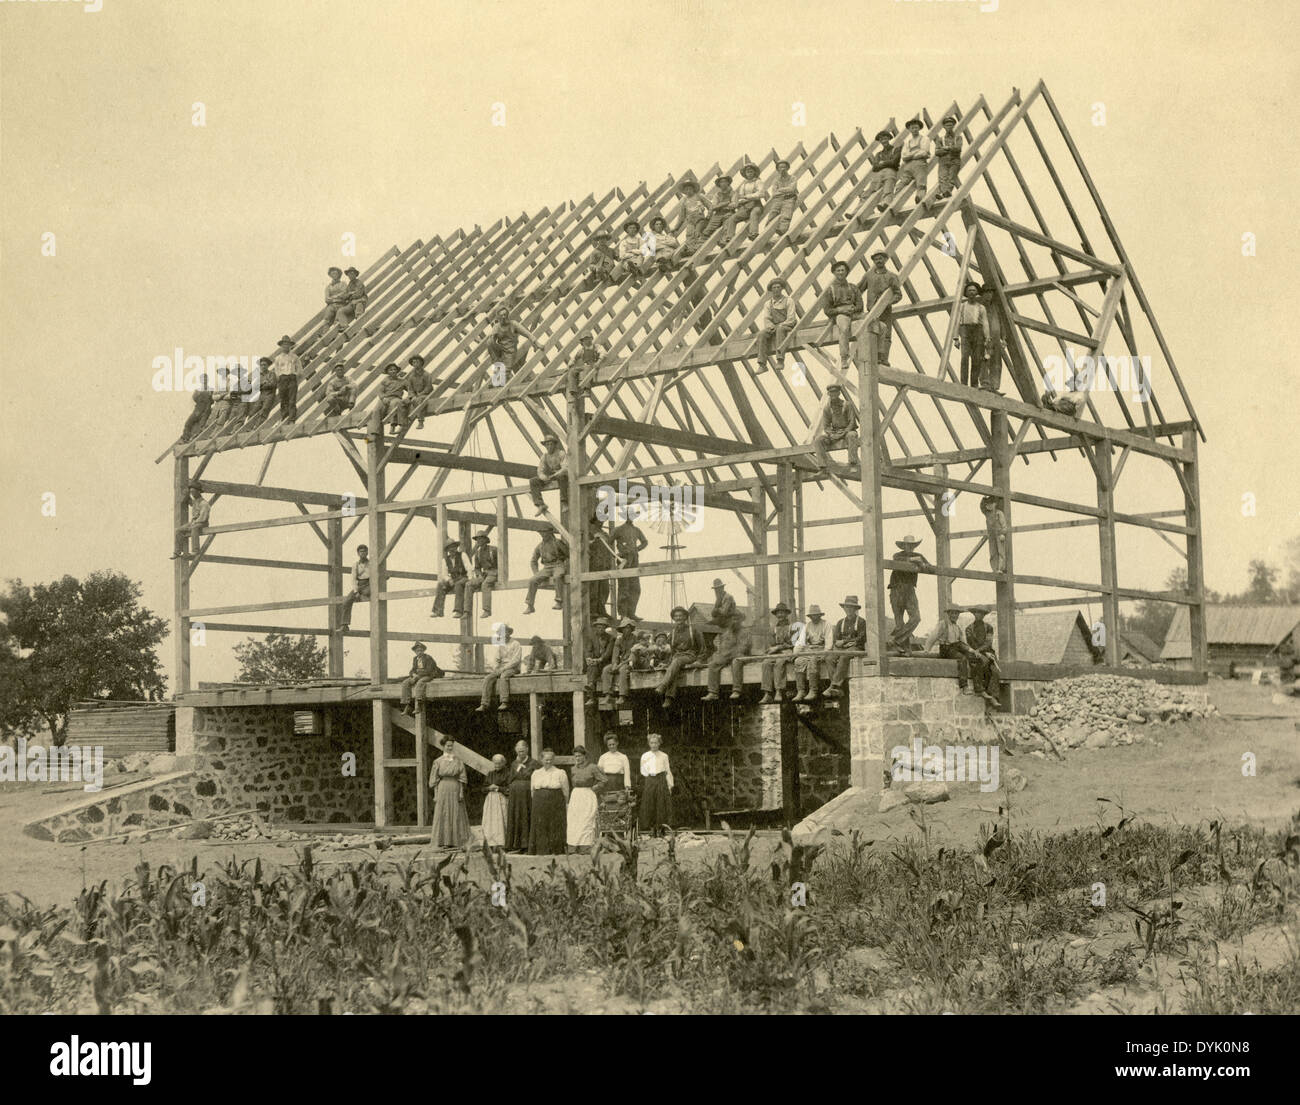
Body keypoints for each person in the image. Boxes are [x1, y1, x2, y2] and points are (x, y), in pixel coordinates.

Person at [654, 606, 705, 707]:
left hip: (690, 656)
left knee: (676, 662)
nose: (678, 618)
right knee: (675, 666)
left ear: (685, 617)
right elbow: (670, 651)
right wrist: (665, 663)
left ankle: (663, 685)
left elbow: (703, 648)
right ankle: (668, 698)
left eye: (680, 616)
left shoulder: (693, 630)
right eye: (676, 616)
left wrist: (699, 660)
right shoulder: (672, 633)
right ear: (673, 618)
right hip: (676, 658)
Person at [888, 536, 929, 655]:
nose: (910, 548)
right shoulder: (898, 555)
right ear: (903, 546)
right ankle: (906, 650)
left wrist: (923, 564)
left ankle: (896, 640)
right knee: (899, 623)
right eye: (907, 545)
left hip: (910, 589)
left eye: (912, 546)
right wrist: (915, 561)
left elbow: (929, 566)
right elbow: (897, 560)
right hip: (896, 588)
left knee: (916, 617)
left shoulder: (919, 555)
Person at [823, 260, 864, 371]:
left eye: (843, 270)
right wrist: (840, 310)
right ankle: (844, 357)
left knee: (873, 322)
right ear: (834, 273)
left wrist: (853, 309)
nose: (840, 272)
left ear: (846, 272)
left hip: (853, 313)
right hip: (841, 314)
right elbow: (827, 310)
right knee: (845, 329)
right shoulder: (830, 290)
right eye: (838, 271)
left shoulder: (853, 287)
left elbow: (860, 305)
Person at [824, 594, 867, 699]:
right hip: (842, 648)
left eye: (851, 607)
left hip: (856, 648)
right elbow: (836, 639)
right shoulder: (840, 622)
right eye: (847, 607)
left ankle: (834, 685)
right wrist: (839, 643)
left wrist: (845, 641)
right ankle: (836, 687)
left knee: (844, 656)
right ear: (844, 608)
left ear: (855, 608)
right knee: (829, 658)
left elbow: (861, 638)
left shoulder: (861, 622)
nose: (849, 609)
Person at [863, 250, 901, 367]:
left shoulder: (891, 276)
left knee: (887, 334)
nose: (878, 261)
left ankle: (884, 359)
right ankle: (874, 358)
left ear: (885, 260)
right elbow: (859, 289)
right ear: (873, 261)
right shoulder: (869, 276)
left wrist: (888, 302)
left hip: (885, 311)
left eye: (881, 258)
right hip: (872, 311)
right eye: (876, 259)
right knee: (873, 333)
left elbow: (898, 294)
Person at [529, 748, 570, 855]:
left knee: (555, 824)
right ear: (541, 760)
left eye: (551, 759)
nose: (549, 761)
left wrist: (565, 803)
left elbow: (565, 790)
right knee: (540, 824)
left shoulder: (560, 773)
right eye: (546, 759)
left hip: (555, 801)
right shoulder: (536, 773)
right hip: (539, 802)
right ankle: (542, 850)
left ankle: (556, 849)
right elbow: (532, 790)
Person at [430, 740, 470, 849]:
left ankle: (457, 840)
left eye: (451, 746)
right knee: (443, 812)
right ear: (443, 746)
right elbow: (434, 779)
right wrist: (435, 794)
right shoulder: (438, 761)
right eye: (447, 746)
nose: (449, 748)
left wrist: (461, 792)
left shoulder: (458, 761)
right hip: (443, 788)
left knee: (456, 812)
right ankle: (444, 841)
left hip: (455, 787)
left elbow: (462, 778)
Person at [924, 605, 973, 692]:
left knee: (972, 656)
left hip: (955, 647)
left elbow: (963, 642)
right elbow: (933, 637)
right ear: (949, 614)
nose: (955, 615)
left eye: (956, 613)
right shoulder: (943, 624)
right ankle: (964, 686)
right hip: (946, 649)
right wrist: (927, 650)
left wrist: (970, 650)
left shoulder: (957, 627)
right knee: (962, 658)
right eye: (953, 613)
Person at [703, 613, 750, 702]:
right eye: (732, 619)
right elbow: (723, 647)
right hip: (728, 655)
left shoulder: (745, 632)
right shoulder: (727, 633)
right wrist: (721, 655)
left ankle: (736, 690)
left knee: (736, 662)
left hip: (740, 655)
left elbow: (744, 648)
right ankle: (713, 692)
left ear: (740, 621)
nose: (734, 621)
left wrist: (729, 654)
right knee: (713, 664)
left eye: (736, 619)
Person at [815, 384, 860, 473]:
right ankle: (822, 467)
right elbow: (826, 426)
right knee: (818, 440)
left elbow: (852, 422)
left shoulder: (847, 405)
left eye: (835, 393)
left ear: (839, 393)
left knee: (852, 435)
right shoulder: (827, 408)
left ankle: (853, 464)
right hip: (835, 433)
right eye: (831, 393)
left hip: (847, 432)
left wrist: (843, 433)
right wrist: (831, 434)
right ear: (828, 394)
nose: (833, 395)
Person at [477, 624, 522, 713]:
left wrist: (504, 668)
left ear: (509, 633)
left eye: (504, 633)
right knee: (488, 678)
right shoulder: (500, 645)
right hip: (501, 668)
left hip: (513, 668)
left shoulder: (516, 644)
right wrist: (496, 667)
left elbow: (516, 660)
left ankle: (504, 701)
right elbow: (497, 658)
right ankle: (484, 703)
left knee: (504, 676)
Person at [523, 526, 568, 614]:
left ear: (550, 533)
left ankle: (559, 601)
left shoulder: (558, 543)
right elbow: (533, 561)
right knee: (532, 580)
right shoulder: (540, 546)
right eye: (541, 533)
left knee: (557, 577)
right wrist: (536, 573)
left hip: (558, 564)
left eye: (544, 532)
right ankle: (530, 605)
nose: (542, 535)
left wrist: (566, 567)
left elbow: (569, 554)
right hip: (547, 567)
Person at [566, 746, 603, 854]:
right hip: (576, 796)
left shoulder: (592, 767)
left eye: (580, 756)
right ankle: (573, 847)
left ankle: (585, 847)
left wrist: (594, 788)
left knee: (586, 820)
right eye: (576, 756)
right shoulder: (573, 769)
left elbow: (603, 780)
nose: (577, 758)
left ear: (585, 756)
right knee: (574, 821)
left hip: (587, 795)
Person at [612, 510, 648, 617]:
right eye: (629, 516)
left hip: (634, 559)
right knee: (624, 586)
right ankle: (623, 614)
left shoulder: (636, 530)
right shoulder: (618, 530)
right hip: (623, 559)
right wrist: (617, 554)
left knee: (635, 587)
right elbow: (609, 543)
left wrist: (636, 549)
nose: (631, 518)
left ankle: (631, 612)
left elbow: (645, 542)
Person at [759, 602, 796, 704]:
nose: (780, 615)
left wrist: (779, 647)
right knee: (766, 663)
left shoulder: (792, 627)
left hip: (788, 651)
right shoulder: (774, 628)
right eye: (778, 613)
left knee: (779, 663)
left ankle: (779, 691)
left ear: (786, 614)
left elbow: (793, 643)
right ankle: (767, 693)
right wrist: (770, 649)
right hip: (776, 652)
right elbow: (771, 643)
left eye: (782, 613)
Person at [599, 616, 640, 709]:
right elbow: (615, 653)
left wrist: (621, 664)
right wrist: (614, 664)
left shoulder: (635, 639)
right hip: (621, 662)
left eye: (628, 628)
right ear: (622, 629)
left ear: (631, 629)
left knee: (623, 670)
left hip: (631, 662)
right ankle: (607, 694)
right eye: (624, 628)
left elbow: (633, 655)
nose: (626, 630)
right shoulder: (619, 639)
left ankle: (622, 695)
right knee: (606, 669)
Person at [504, 740, 538, 852]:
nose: (520, 753)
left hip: (527, 795)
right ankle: (515, 844)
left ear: (527, 750)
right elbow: (510, 779)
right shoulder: (514, 763)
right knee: (516, 816)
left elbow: (538, 778)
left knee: (526, 816)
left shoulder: (534, 763)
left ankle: (526, 845)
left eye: (522, 751)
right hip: (515, 796)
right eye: (518, 751)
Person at [638, 734, 674, 837]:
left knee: (661, 803)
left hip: (661, 779)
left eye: (656, 743)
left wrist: (670, 784)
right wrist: (650, 777)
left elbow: (668, 770)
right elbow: (643, 770)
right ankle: (652, 828)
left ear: (659, 743)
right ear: (649, 743)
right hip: (650, 780)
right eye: (652, 743)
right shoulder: (645, 756)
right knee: (650, 803)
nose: (654, 745)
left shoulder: (664, 756)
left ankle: (661, 828)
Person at [793, 604, 830, 701]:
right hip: (809, 650)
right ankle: (801, 691)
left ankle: (813, 690)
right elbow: (800, 642)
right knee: (799, 661)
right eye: (812, 615)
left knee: (813, 660)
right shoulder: (807, 626)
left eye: (816, 615)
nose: (814, 617)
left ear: (819, 615)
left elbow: (829, 642)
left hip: (821, 649)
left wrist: (825, 653)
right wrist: (796, 652)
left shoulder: (826, 624)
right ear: (810, 616)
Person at [485, 308, 536, 380]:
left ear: (508, 315)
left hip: (510, 350)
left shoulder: (513, 324)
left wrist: (536, 343)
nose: (503, 317)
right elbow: (492, 340)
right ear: (498, 317)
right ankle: (500, 376)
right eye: (501, 315)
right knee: (489, 342)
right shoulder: (497, 326)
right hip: (501, 350)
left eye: (505, 315)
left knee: (506, 371)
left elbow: (527, 333)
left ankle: (503, 380)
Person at [757, 278, 795, 374]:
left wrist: (782, 324)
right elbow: (767, 318)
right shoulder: (768, 303)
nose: (776, 289)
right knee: (762, 334)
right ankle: (762, 364)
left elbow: (791, 318)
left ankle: (780, 360)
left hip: (787, 326)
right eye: (774, 287)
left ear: (782, 288)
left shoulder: (788, 300)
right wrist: (771, 327)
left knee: (780, 329)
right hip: (774, 327)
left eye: (778, 287)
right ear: (771, 290)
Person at [966, 606, 1001, 705]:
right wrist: (981, 653)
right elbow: (972, 643)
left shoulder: (989, 627)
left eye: (980, 613)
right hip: (975, 653)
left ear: (983, 615)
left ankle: (993, 696)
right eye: (976, 613)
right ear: (974, 614)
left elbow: (988, 643)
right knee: (979, 665)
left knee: (994, 670)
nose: (978, 615)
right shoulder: (969, 629)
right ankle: (981, 691)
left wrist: (986, 653)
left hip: (988, 652)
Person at [956, 282, 989, 388]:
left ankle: (974, 384)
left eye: (974, 290)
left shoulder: (981, 308)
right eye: (969, 290)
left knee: (976, 359)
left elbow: (985, 322)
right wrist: (956, 338)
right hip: (965, 330)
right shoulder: (962, 306)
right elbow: (957, 321)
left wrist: (987, 336)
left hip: (978, 332)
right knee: (964, 357)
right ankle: (963, 384)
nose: (971, 292)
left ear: (977, 293)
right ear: (966, 293)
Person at [893, 117, 932, 205]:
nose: (914, 129)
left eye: (916, 127)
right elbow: (904, 156)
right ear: (909, 129)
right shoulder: (908, 142)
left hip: (920, 164)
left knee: (921, 183)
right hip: (908, 167)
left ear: (919, 128)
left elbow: (924, 152)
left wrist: (910, 155)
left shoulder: (924, 139)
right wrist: (915, 153)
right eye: (912, 128)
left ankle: (920, 198)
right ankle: (894, 200)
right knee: (901, 183)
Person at [399, 641, 443, 715]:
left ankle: (419, 706)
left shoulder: (428, 658)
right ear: (415, 652)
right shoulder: (415, 659)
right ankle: (406, 705)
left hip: (428, 676)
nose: (419, 652)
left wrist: (417, 675)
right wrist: (413, 674)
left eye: (420, 650)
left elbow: (429, 670)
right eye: (417, 651)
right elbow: (412, 670)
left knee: (420, 683)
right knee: (405, 682)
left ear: (423, 650)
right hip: (418, 676)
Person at [529, 433, 568, 515]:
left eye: (551, 444)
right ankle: (541, 504)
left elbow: (565, 468)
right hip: (551, 476)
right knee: (533, 481)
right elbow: (540, 470)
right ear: (545, 446)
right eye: (547, 444)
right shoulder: (544, 456)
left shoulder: (561, 453)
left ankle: (564, 502)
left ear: (554, 445)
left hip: (561, 474)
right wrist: (543, 477)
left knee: (562, 477)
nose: (549, 446)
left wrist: (556, 474)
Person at [431, 539, 468, 618]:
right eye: (450, 548)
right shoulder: (445, 560)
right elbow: (444, 574)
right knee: (441, 584)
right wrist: (449, 579)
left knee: (458, 585)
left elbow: (469, 568)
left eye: (454, 547)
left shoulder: (462, 555)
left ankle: (458, 611)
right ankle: (438, 611)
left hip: (463, 577)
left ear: (456, 548)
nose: (452, 550)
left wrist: (470, 580)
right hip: (453, 579)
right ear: (447, 550)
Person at [674, 178, 711, 256]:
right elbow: (681, 216)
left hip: (700, 219)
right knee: (689, 234)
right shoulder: (684, 200)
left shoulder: (699, 196)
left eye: (690, 189)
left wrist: (709, 215)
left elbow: (710, 205)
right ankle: (690, 249)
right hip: (690, 221)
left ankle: (697, 247)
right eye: (686, 189)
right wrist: (676, 228)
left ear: (693, 189)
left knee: (698, 233)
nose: (688, 191)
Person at [171, 486, 211, 559]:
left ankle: (195, 550)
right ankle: (177, 551)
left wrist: (194, 523)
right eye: (191, 492)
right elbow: (190, 502)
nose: (192, 493)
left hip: (202, 523)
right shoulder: (195, 501)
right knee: (178, 530)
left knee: (194, 528)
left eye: (194, 491)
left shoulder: (204, 503)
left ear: (198, 492)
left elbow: (203, 517)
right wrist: (186, 494)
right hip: (194, 522)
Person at [732, 162, 768, 243]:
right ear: (745, 174)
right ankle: (729, 237)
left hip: (756, 205)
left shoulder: (758, 182)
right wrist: (742, 200)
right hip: (746, 206)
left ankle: (753, 233)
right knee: (733, 218)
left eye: (751, 171)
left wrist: (747, 197)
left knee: (754, 214)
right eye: (747, 172)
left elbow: (761, 193)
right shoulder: (744, 185)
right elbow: (741, 196)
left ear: (754, 172)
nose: (749, 173)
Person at [272, 335, 305, 421]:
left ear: (290, 346)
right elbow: (276, 371)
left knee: (292, 400)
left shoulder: (294, 357)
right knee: (283, 399)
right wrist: (280, 378)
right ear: (281, 346)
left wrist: (294, 375)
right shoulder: (278, 358)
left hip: (291, 379)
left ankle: (292, 418)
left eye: (287, 344)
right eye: (284, 344)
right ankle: (284, 416)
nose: (286, 346)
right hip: (282, 379)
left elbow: (300, 370)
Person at [482, 754, 510, 852]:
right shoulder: (490, 774)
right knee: (490, 822)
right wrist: (489, 788)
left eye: (499, 763)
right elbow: (483, 788)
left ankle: (501, 843)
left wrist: (498, 788)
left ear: (503, 763)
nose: (497, 765)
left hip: (501, 799)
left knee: (501, 821)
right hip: (490, 801)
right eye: (495, 763)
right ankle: (490, 843)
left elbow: (509, 788)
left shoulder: (507, 774)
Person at [465, 532, 498, 616]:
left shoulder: (493, 550)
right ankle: (467, 610)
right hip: (484, 574)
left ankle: (487, 610)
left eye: (480, 539)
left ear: (485, 540)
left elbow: (501, 563)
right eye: (477, 539)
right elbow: (477, 568)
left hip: (494, 573)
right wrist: (479, 575)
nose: (478, 541)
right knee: (469, 584)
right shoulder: (478, 553)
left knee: (485, 585)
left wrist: (497, 573)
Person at [338, 544, 371, 629]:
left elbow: (377, 573)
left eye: (364, 551)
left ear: (367, 552)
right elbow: (353, 579)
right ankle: (344, 624)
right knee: (346, 601)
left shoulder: (371, 563)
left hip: (370, 584)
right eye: (361, 552)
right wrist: (356, 592)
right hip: (359, 585)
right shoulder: (355, 565)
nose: (363, 553)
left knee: (368, 593)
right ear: (358, 553)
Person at [588, 519, 614, 621]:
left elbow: (609, 550)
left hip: (604, 565)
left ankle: (602, 610)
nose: (602, 521)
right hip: (594, 564)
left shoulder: (605, 534)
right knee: (594, 588)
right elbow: (584, 545)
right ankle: (593, 610)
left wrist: (609, 563)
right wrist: (593, 540)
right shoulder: (589, 531)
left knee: (604, 589)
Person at [979, 285, 1004, 392]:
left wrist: (1004, 337)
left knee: (997, 362)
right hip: (985, 338)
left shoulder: (995, 307)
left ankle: (994, 386)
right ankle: (985, 383)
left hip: (996, 339)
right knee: (985, 360)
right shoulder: (979, 307)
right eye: (987, 292)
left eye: (991, 293)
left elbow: (1001, 323)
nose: (989, 295)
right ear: (982, 294)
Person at [766, 158, 798, 236]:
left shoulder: (793, 178)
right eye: (780, 167)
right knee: (773, 212)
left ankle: (782, 230)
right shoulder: (776, 180)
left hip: (789, 198)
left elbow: (792, 189)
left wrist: (780, 190)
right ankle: (767, 230)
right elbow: (774, 193)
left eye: (784, 167)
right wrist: (784, 191)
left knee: (786, 214)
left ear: (787, 168)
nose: (782, 169)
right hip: (778, 199)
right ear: (778, 169)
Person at [583, 615, 614, 696]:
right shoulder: (592, 638)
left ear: (605, 628)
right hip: (596, 662)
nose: (600, 629)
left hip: (606, 662)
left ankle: (592, 692)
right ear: (596, 628)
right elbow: (588, 650)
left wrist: (600, 660)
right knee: (591, 667)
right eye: (599, 627)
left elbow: (608, 653)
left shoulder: (611, 638)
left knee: (599, 667)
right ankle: (590, 689)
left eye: (602, 627)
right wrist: (589, 658)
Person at [933, 115, 962, 200]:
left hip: (954, 161)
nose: (949, 127)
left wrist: (948, 148)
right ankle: (945, 193)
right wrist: (947, 150)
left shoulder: (958, 138)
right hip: (943, 161)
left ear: (953, 126)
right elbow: (937, 152)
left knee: (951, 177)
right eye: (947, 125)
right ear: (944, 127)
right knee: (942, 177)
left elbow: (958, 149)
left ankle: (946, 192)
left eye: (951, 125)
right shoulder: (940, 139)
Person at [402, 354, 434, 427]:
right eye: (413, 362)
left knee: (419, 400)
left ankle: (420, 421)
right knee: (402, 403)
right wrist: (412, 396)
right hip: (415, 395)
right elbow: (410, 389)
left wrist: (420, 394)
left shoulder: (426, 374)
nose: (415, 364)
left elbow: (428, 387)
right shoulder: (411, 376)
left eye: (417, 362)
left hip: (425, 395)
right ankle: (403, 423)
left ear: (421, 363)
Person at [981, 495, 1009, 573]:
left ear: (995, 504)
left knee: (1001, 552)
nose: (989, 506)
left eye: (990, 504)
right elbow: (982, 507)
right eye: (987, 504)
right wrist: (983, 498)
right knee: (992, 552)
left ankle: (1001, 568)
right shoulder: (987, 513)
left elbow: (1004, 525)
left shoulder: (999, 513)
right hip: (991, 535)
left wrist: (1003, 533)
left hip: (999, 534)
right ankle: (995, 569)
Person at [180, 376, 213, 442]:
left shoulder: (211, 390)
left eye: (205, 379)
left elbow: (212, 400)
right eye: (203, 379)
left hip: (206, 411)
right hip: (198, 410)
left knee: (201, 425)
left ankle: (194, 438)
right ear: (201, 381)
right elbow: (194, 398)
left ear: (208, 380)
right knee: (188, 423)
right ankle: (185, 437)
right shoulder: (198, 390)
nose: (204, 381)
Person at [704, 173, 735, 241]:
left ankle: (725, 241)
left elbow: (733, 205)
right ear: (719, 184)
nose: (723, 183)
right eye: (721, 182)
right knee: (708, 230)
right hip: (718, 214)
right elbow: (714, 206)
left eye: (725, 181)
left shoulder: (733, 193)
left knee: (727, 227)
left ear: (728, 183)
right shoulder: (717, 194)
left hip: (728, 213)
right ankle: (699, 246)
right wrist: (725, 203)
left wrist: (720, 205)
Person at [376, 363, 406, 430]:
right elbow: (380, 391)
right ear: (387, 372)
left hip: (395, 398)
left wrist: (410, 396)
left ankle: (394, 425)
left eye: (394, 369)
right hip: (386, 398)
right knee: (376, 411)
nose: (393, 371)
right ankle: (375, 430)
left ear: (397, 371)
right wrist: (383, 398)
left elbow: (410, 389)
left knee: (395, 404)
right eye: (391, 370)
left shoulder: (402, 381)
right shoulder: (385, 381)